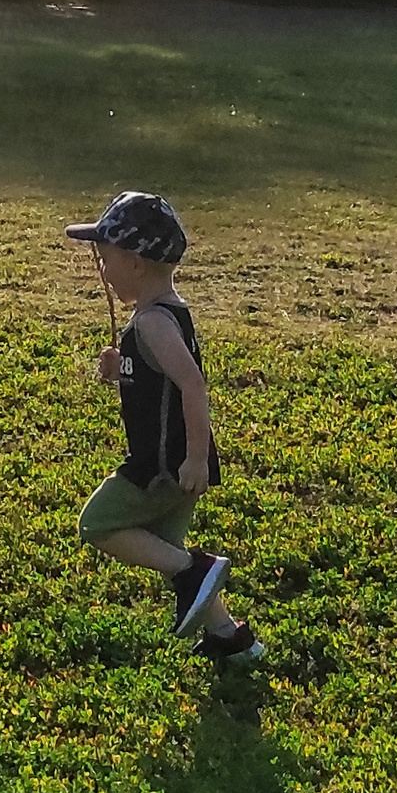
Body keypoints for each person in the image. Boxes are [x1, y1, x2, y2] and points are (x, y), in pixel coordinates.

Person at [66, 190, 264, 665]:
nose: (100, 269)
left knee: (97, 524)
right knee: (166, 548)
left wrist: (195, 458)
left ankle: (196, 570)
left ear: (135, 263)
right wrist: (123, 367)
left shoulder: (153, 323)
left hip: (162, 464)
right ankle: (231, 638)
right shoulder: (166, 314)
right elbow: (161, 382)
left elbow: (193, 387)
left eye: (105, 258)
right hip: (179, 462)